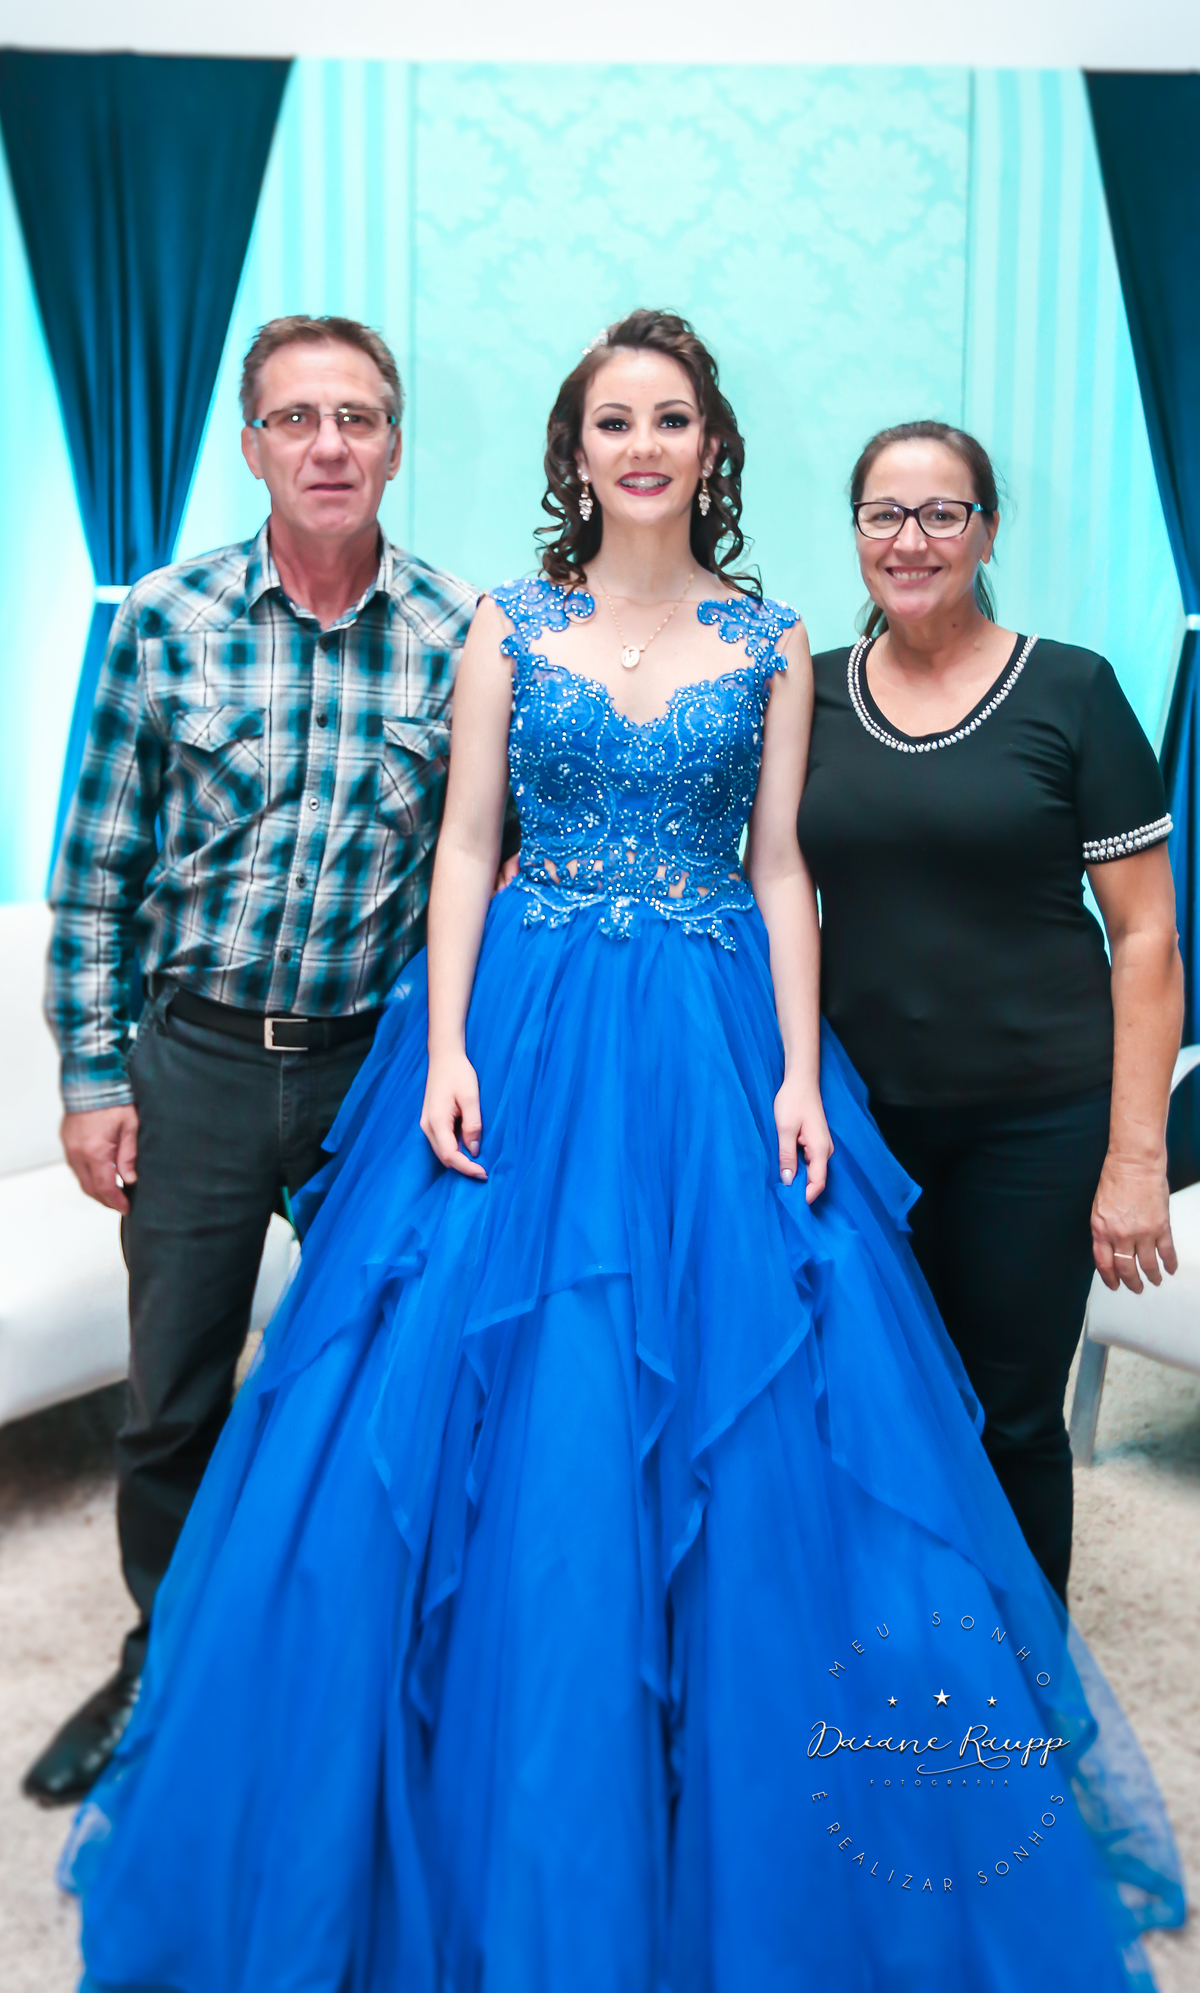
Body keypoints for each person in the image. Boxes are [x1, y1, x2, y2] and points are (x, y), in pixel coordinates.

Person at [65, 314, 1181, 1992]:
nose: (642, 445)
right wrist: (446, 1043)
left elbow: (783, 867)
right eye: (612, 421)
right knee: (472, 1395)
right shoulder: (506, 624)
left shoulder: (776, 638)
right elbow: (464, 845)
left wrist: (799, 1075)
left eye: (670, 418)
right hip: (525, 1020)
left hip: (713, 1029)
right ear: (573, 452)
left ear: (710, 447)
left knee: (761, 1400)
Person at [27, 315, 482, 1808]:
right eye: (297, 419)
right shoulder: (169, 617)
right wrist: (94, 1080)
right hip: (200, 1063)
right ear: (252, 445)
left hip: (372, 1074)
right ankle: (161, 1662)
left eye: (357, 417)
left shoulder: (462, 633)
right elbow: (95, 871)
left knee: (383, 1381)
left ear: (396, 443)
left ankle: (356, 1671)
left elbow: (484, 870)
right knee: (172, 1394)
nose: (329, 444)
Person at [798, 419, 1183, 1604]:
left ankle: (1019, 1680)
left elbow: (1148, 936)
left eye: (942, 513)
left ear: (987, 529)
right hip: (859, 1126)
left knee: (1009, 1419)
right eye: (884, 514)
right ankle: (887, 1663)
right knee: (856, 1405)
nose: (910, 540)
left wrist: (1134, 1158)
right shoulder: (808, 695)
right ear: (857, 531)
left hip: (1037, 1125)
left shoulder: (1071, 688)